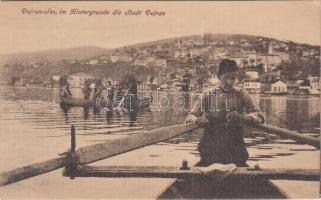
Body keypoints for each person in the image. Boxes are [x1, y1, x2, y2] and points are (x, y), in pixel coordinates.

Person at [185, 59, 265, 167]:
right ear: (219, 76)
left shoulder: (241, 93)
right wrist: (197, 119)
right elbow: (190, 117)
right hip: (210, 151)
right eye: (226, 78)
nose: (230, 82)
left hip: (236, 151)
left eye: (233, 78)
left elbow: (260, 116)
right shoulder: (208, 94)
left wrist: (243, 117)